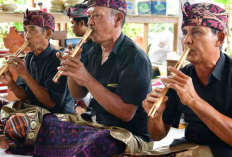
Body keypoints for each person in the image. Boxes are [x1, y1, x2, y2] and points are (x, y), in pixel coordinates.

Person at [33, 0, 153, 156]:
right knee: (47, 123)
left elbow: (126, 113)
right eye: (89, 16)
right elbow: (77, 94)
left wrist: (87, 79)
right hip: (99, 126)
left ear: (117, 19)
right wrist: (72, 69)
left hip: (130, 134)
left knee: (95, 142)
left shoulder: (134, 57)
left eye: (96, 16)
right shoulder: (93, 50)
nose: (90, 23)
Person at [143, 2, 231, 157]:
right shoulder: (181, 76)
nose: (186, 41)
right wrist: (155, 116)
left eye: (196, 32)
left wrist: (194, 101)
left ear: (219, 38)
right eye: (185, 32)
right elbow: (157, 135)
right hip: (189, 148)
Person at [0, 10, 74, 149]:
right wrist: (11, 84)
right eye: (25, 30)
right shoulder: (29, 58)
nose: (27, 36)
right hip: (33, 113)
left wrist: (26, 75)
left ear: (47, 33)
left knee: (17, 121)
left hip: (56, 118)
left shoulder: (59, 59)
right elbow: (25, 96)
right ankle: (11, 136)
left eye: (32, 30)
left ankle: (12, 140)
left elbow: (51, 103)